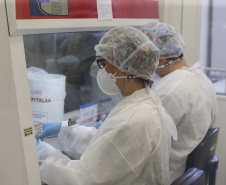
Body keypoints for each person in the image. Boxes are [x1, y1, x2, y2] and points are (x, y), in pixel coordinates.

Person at [36, 26, 177, 185]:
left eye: (103, 63)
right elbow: (108, 145)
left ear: (124, 67)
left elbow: (82, 179)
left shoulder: (131, 120)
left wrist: (41, 154)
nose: (101, 70)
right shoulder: (144, 101)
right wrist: (65, 131)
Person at [140, 22, 218, 182]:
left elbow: (143, 143)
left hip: (166, 177)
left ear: (158, 58)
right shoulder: (200, 78)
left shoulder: (170, 90)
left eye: (145, 59)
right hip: (186, 175)